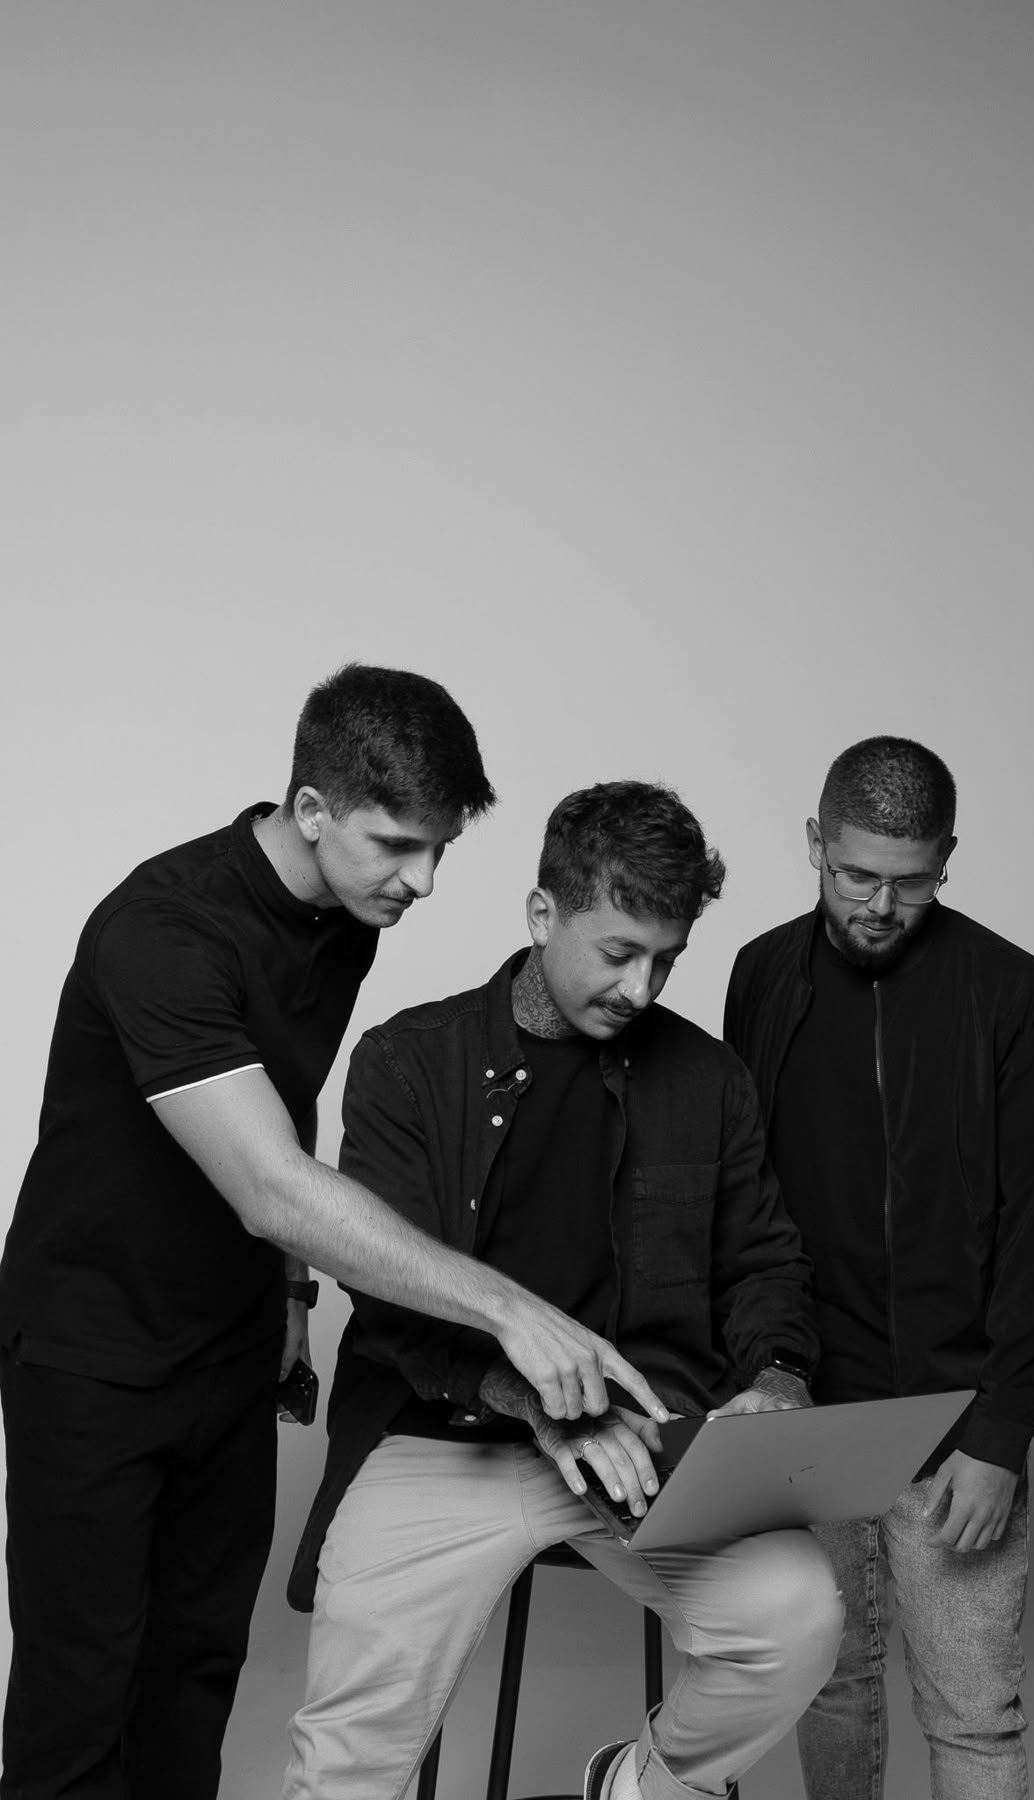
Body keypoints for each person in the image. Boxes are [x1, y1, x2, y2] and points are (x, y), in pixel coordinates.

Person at [0, 667, 665, 1800]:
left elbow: (281, 1104)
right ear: (311, 812)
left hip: (228, 1346)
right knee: (82, 1694)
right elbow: (267, 1181)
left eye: (442, 850)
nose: (423, 881)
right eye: (399, 845)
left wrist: (294, 1296)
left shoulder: (340, 916)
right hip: (90, 1355)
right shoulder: (161, 930)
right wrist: (508, 1306)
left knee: (197, 1670)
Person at [281, 780, 844, 1800]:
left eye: (666, 959)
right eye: (620, 952)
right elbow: (389, 1294)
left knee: (797, 1615)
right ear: (543, 916)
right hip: (440, 1436)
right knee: (349, 1755)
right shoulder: (409, 1062)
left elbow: (764, 1260)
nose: (642, 987)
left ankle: (642, 1786)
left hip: (648, 1447)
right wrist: (533, 1399)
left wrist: (776, 1380)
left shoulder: (708, 1079)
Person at [723, 735, 1034, 1800]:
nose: (880, 905)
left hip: (957, 1422)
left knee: (974, 1718)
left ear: (949, 859)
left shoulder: (1015, 995)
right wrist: (759, 1376)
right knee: (831, 1689)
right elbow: (744, 1205)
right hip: (813, 1416)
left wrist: (1002, 1428)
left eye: (911, 881)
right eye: (855, 876)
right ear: (812, 845)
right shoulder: (761, 975)